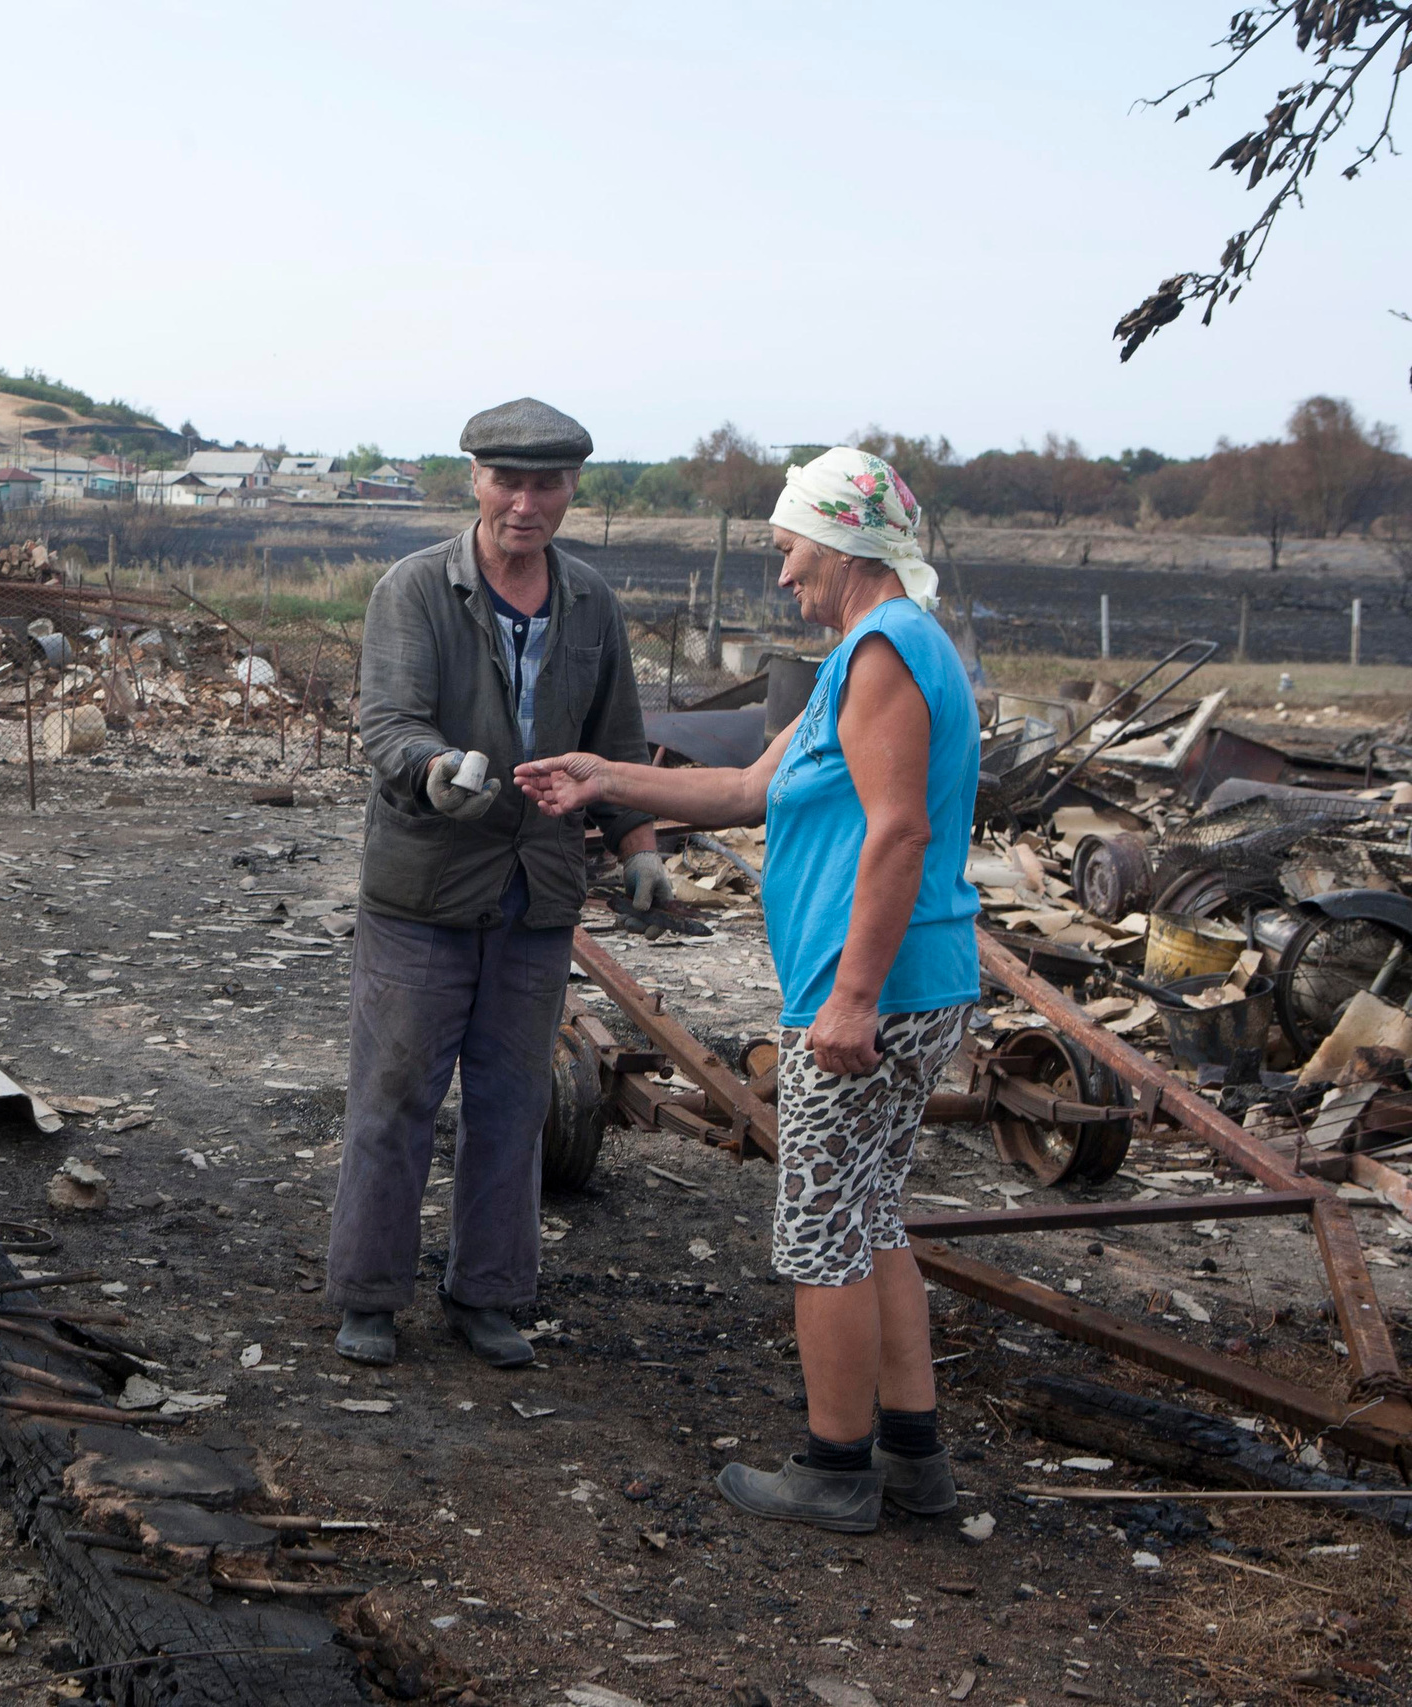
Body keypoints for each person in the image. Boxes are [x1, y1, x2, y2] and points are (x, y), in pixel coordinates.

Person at [515, 447, 980, 1531]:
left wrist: (851, 999)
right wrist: (604, 775)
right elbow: (742, 787)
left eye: (788, 549)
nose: (781, 573)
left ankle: (833, 1469)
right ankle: (914, 1461)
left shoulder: (885, 655)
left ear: (842, 542)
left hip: (875, 989)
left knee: (820, 1232)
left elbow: (900, 831)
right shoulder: (875, 649)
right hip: (910, 982)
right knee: (870, 1217)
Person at [327, 398, 665, 1369]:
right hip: (425, 889)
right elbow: (389, 724)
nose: (524, 503)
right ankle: (369, 1295)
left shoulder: (590, 602)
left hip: (537, 891)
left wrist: (638, 843)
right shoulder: (414, 589)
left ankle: (488, 1294)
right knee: (395, 1094)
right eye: (506, 481)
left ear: (570, 490)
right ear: (473, 480)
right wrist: (437, 769)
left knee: (514, 1102)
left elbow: (615, 740)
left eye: (545, 484)